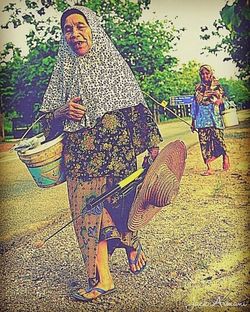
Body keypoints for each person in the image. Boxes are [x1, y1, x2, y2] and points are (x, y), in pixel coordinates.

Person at [39, 6, 162, 302]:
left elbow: (137, 110)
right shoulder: (63, 71)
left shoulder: (114, 66)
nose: (74, 34)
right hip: (80, 156)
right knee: (87, 215)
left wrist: (154, 147)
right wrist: (61, 111)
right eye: (67, 29)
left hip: (117, 152)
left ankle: (132, 245)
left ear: (93, 27)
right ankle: (102, 278)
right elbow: (44, 119)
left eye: (80, 26)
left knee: (120, 209)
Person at [191, 64, 230, 176]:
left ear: (211, 73)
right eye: (202, 74)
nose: (205, 76)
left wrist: (220, 102)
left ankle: (225, 156)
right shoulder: (198, 88)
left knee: (219, 141)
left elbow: (227, 103)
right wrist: (193, 122)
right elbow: (194, 106)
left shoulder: (218, 87)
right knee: (204, 144)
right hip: (201, 120)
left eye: (207, 73)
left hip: (215, 120)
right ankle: (209, 168)